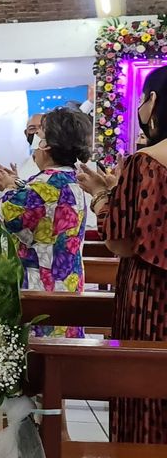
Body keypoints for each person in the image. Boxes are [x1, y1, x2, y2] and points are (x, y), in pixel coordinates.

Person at [77, 65, 167, 444]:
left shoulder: (145, 162)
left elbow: (122, 242)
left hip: (153, 297)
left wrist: (102, 196)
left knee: (146, 389)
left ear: (154, 102)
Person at [0, 107, 91, 338]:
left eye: (40, 136)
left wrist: (9, 188)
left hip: (42, 283)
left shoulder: (45, 184)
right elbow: (41, 206)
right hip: (68, 278)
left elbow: (4, 211)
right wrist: (16, 185)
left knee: (40, 357)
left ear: (47, 146)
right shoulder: (73, 178)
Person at [19, 114, 44, 181]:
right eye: (32, 128)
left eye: (42, 127)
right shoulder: (20, 166)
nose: (37, 131)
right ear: (26, 134)